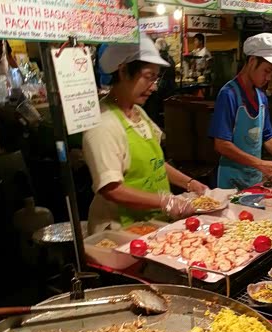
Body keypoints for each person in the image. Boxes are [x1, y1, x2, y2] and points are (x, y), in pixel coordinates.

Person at [83, 33, 207, 235]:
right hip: (120, 231)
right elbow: (111, 189)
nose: (154, 87)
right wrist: (166, 201)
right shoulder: (103, 124)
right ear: (123, 71)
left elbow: (155, 163)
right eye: (148, 77)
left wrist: (190, 183)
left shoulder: (138, 112)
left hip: (151, 224)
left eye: (155, 78)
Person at [209, 33, 272, 190]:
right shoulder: (229, 94)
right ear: (252, 61)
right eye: (267, 71)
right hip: (230, 182)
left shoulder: (261, 97)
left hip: (254, 180)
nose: (269, 78)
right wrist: (259, 163)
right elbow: (221, 144)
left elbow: (267, 137)